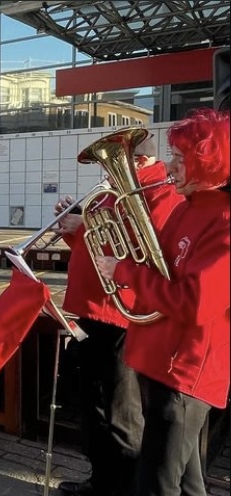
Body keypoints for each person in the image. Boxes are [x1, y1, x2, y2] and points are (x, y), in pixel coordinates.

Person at [96, 108, 229, 496]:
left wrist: (126, 272)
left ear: (208, 163)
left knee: (156, 483)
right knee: (186, 484)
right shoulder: (187, 208)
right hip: (165, 362)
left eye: (180, 158)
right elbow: (161, 270)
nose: (170, 166)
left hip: (185, 372)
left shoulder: (223, 221)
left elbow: (194, 303)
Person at [56, 134, 183, 496]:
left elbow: (147, 250)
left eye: (111, 163)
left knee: (121, 411)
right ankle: (102, 480)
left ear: (138, 162)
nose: (106, 172)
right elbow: (97, 248)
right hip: (91, 310)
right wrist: (73, 229)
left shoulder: (161, 193)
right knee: (93, 405)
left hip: (121, 316)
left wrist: (84, 226)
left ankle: (125, 486)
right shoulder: (109, 196)